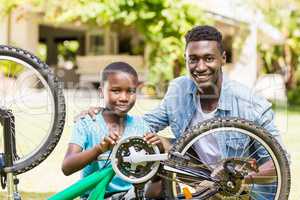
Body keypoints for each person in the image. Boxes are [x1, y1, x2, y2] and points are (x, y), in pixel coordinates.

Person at [80, 25, 289, 199]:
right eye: (193, 59)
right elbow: (143, 125)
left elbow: (280, 162)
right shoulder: (179, 89)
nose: (200, 67)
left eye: (209, 59)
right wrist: (107, 114)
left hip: (242, 192)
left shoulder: (249, 104)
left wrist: (237, 178)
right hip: (202, 183)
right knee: (158, 143)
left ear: (223, 58)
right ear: (186, 59)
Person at [62, 62, 161, 199]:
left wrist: (158, 151)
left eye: (130, 91)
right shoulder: (87, 123)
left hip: (132, 195)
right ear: (102, 92)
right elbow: (67, 167)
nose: (124, 98)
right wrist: (98, 149)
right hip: (97, 195)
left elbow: (153, 175)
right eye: (116, 91)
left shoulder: (141, 126)